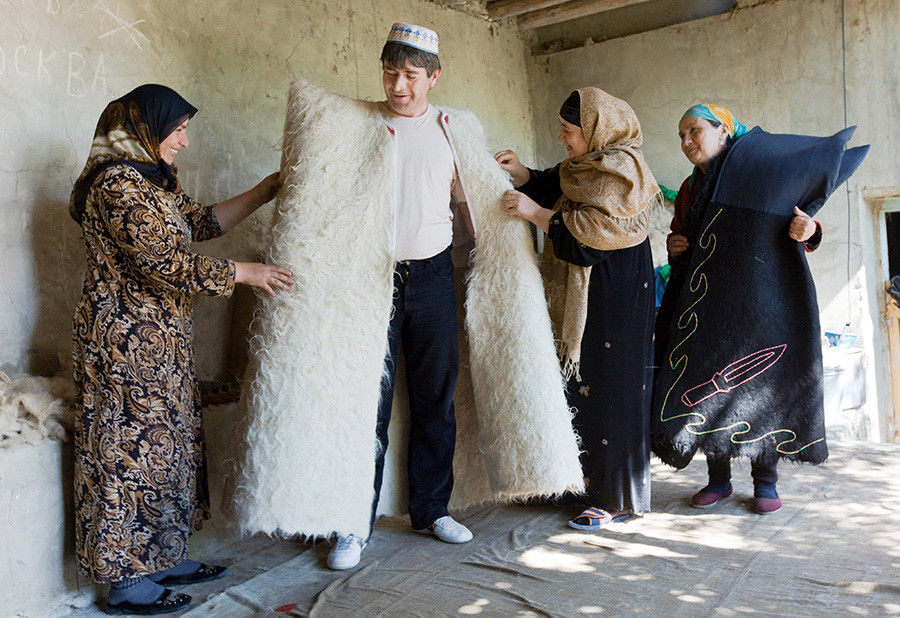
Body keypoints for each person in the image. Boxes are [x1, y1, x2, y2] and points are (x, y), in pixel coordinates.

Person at [70, 84, 293, 615]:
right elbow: (164, 261)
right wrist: (246, 273)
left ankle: (163, 557)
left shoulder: (150, 181)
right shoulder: (118, 185)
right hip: (123, 346)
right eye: (178, 129)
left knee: (167, 451)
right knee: (128, 456)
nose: (184, 142)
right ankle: (126, 585)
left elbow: (197, 223)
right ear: (144, 128)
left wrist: (264, 191)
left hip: (160, 345)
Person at [652, 104, 867, 514]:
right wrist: (674, 244)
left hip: (762, 299)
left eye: (694, 131)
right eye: (681, 136)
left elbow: (802, 220)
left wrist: (810, 229)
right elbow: (681, 234)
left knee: (764, 387)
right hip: (710, 304)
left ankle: (766, 482)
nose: (686, 142)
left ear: (724, 130)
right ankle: (718, 480)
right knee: (711, 386)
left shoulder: (765, 169)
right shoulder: (690, 187)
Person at [325, 22, 474, 571]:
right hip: (369, 276)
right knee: (367, 403)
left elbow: (472, 201)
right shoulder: (360, 126)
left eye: (411, 75)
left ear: (434, 77)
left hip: (433, 275)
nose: (398, 85)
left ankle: (432, 508)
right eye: (391, 72)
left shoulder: (452, 129)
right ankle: (351, 522)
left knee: (437, 395)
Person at [495, 88, 659, 530]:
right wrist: (526, 174)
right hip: (591, 298)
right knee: (581, 384)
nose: (563, 138)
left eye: (569, 131)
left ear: (595, 129)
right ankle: (580, 482)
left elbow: (589, 234)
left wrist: (533, 214)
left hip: (617, 297)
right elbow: (562, 184)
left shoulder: (623, 171)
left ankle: (617, 498)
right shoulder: (586, 166)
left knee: (614, 389)